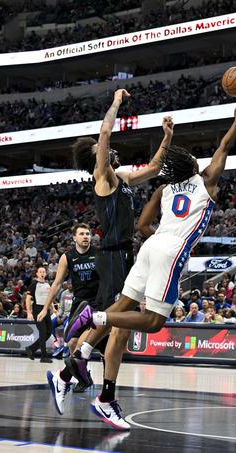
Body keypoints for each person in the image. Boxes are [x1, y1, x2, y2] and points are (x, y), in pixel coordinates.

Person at [62, 99, 236, 429]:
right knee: (151, 322)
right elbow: (224, 145)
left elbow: (144, 220)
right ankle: (93, 321)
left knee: (123, 309)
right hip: (153, 250)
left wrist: (166, 138)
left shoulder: (163, 187)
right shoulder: (204, 181)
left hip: (148, 246)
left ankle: (90, 370)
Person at [43, 89, 174, 406]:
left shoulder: (123, 177)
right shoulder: (104, 178)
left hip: (126, 255)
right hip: (113, 255)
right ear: (98, 158)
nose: (112, 150)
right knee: (118, 321)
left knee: (122, 327)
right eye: (106, 149)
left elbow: (155, 168)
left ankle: (78, 366)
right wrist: (116, 101)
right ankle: (83, 367)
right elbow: (104, 132)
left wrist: (167, 136)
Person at [39, 223, 100, 415]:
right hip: (79, 303)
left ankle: (79, 377)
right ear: (74, 238)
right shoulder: (68, 257)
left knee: (84, 343)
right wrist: (45, 307)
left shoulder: (98, 253)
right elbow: (56, 283)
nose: (85, 237)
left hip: (96, 303)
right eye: (81, 234)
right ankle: (82, 373)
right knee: (72, 343)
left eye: (88, 234)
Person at [25, 267, 54, 363]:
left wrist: (53, 308)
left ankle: (31, 349)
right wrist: (29, 312)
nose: (42, 273)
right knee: (43, 332)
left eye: (44, 272)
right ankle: (43, 356)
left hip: (46, 310)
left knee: (48, 332)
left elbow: (49, 298)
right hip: (37, 309)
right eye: (40, 271)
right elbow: (28, 299)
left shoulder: (47, 284)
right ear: (37, 274)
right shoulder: (34, 284)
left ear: (46, 274)